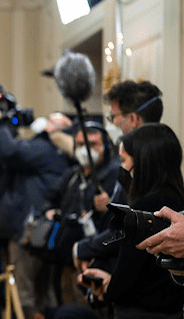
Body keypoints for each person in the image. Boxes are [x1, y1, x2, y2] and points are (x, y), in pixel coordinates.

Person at [79, 123, 184, 319]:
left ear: (143, 162)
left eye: (125, 161)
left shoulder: (141, 210)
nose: (122, 169)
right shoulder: (181, 205)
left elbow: (123, 283)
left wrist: (104, 283)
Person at [73, 80, 164, 270]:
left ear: (132, 119)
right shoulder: (154, 153)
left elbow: (127, 230)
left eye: (114, 116)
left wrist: (83, 249)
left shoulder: (143, 163)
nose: (113, 123)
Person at [0, 111, 70, 316]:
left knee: (23, 291)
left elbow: (10, 151)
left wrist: (0, 124)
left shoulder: (46, 148)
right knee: (43, 291)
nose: (46, 123)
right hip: (42, 231)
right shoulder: (57, 153)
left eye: (53, 122)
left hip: (29, 232)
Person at [43, 124, 119, 303]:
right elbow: (50, 198)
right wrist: (50, 211)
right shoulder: (72, 175)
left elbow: (122, 222)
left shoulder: (114, 175)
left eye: (92, 145)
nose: (86, 150)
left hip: (95, 258)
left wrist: (109, 206)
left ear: (105, 146)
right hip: (66, 256)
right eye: (81, 145)